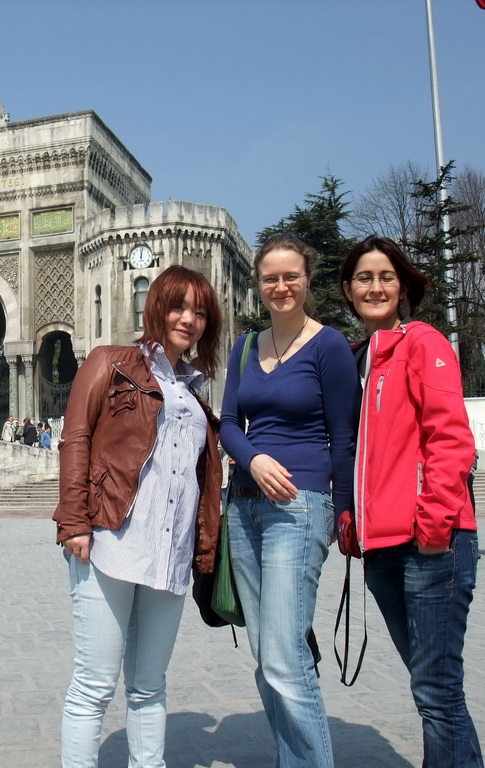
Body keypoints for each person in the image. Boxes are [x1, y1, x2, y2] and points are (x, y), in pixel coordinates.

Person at [54, 265, 223, 768]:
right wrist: (75, 522)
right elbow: (76, 438)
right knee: (95, 685)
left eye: (199, 311)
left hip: (168, 553)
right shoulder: (110, 362)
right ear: (155, 307)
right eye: (178, 306)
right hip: (110, 541)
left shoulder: (194, 392)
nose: (188, 319)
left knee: (149, 687)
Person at [339, 234, 483, 766]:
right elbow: (354, 453)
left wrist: (434, 526)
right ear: (349, 290)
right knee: (433, 690)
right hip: (381, 553)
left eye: (385, 277)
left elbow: (451, 439)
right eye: (363, 278)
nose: (374, 286)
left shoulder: (423, 343)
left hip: (431, 548)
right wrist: (350, 516)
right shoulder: (355, 360)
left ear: (403, 288)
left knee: (437, 694)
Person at [219, 233, 356, 768]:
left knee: (283, 656)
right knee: (266, 655)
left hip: (301, 509)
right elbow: (230, 423)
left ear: (307, 280)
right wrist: (252, 459)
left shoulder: (330, 347)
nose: (281, 286)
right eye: (270, 277)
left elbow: (344, 436)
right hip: (245, 508)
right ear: (258, 284)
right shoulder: (247, 346)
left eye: (290, 276)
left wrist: (341, 514)